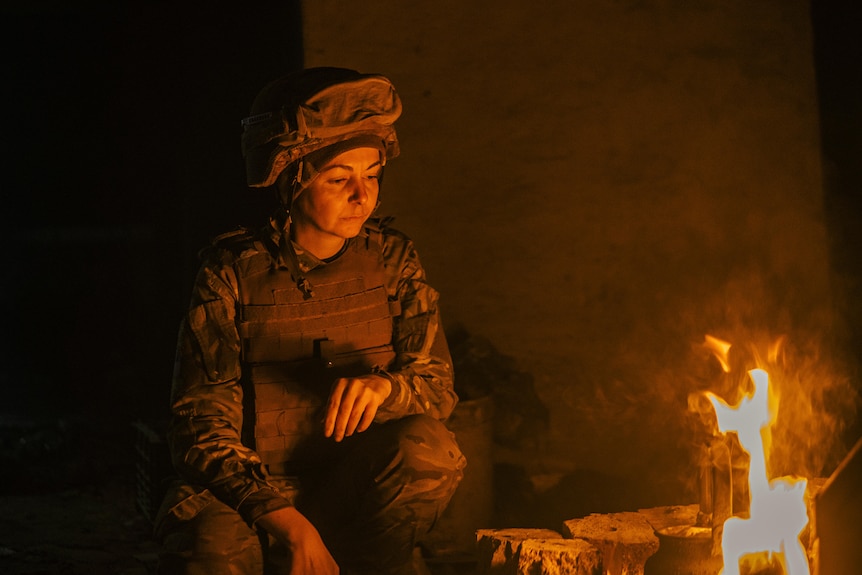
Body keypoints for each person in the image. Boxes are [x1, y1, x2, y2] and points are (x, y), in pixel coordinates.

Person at [154, 67, 466, 575]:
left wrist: (384, 390)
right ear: (293, 181)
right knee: (206, 547)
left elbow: (438, 388)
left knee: (428, 448)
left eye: (371, 175)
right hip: (255, 496)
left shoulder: (393, 260)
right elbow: (199, 430)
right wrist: (291, 528)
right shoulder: (231, 273)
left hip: (351, 488)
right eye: (340, 178)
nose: (362, 196)